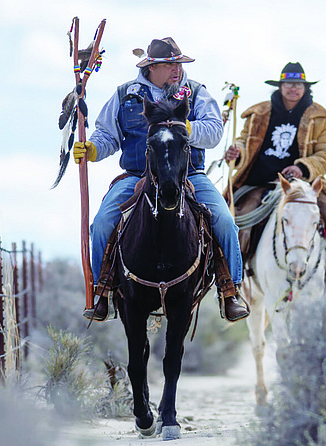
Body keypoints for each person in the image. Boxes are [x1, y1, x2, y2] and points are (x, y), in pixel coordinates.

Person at [74, 37, 249, 322]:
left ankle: (230, 291)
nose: (176, 70)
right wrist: (92, 149)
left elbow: (215, 130)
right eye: (169, 64)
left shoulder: (196, 93)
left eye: (178, 64)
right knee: (103, 222)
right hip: (136, 176)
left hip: (189, 175)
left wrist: (187, 127)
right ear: (151, 67)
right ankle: (102, 290)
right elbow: (107, 135)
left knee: (224, 221)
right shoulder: (125, 96)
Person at [225, 62, 326, 267]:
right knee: (237, 226)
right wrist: (238, 151)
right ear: (280, 86)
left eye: (298, 84)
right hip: (259, 183)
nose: (293, 88)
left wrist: (303, 168)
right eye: (288, 83)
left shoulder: (318, 116)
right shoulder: (258, 113)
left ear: (305, 88)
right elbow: (244, 140)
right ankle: (236, 280)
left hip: (303, 186)